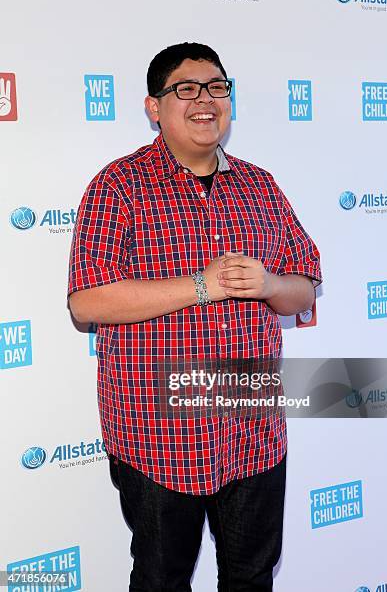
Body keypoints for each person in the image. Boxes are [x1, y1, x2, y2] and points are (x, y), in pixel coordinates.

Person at [68, 42, 322, 591]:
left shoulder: (260, 186)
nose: (205, 100)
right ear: (154, 107)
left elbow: (305, 289)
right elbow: (86, 301)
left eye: (217, 88)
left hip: (254, 432)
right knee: (162, 580)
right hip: (160, 437)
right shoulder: (119, 187)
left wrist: (271, 284)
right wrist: (202, 286)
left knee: (252, 576)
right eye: (186, 89)